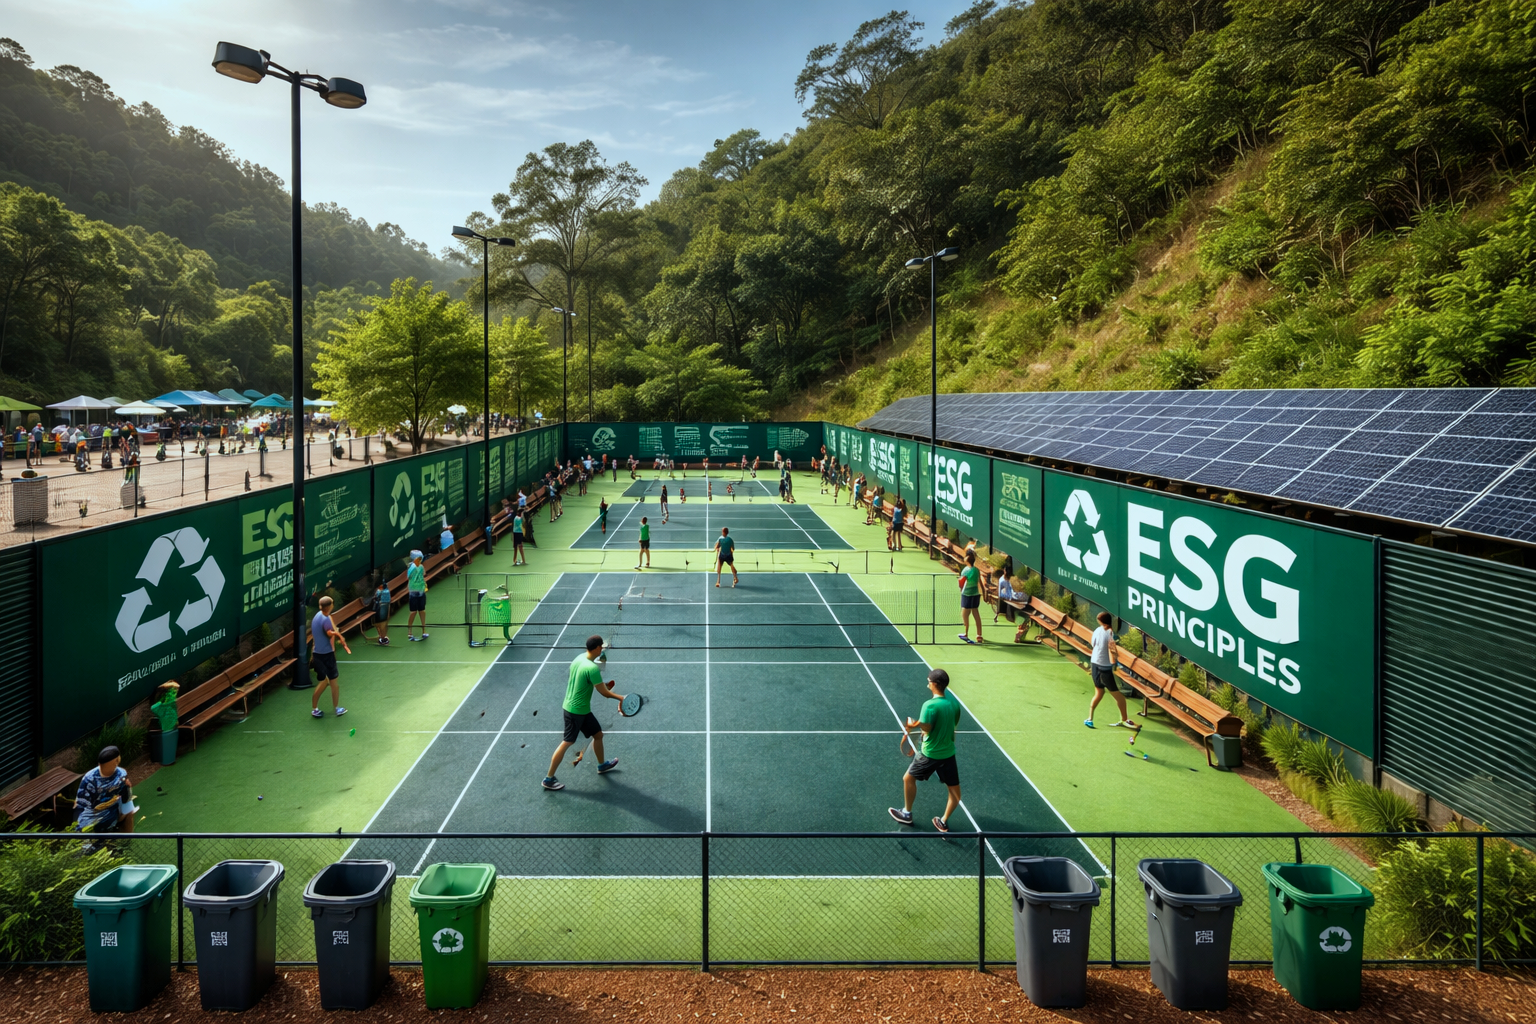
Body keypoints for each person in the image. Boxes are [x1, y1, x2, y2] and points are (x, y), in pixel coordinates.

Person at [543, 635, 624, 790]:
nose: (603, 649)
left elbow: (589, 675)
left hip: (580, 709)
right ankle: (548, 779)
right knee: (567, 742)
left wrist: (602, 664)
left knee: (598, 735)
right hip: (575, 711)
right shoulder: (591, 669)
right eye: (601, 647)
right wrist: (621, 698)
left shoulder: (580, 658)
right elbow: (604, 693)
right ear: (597, 648)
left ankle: (601, 765)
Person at [889, 668, 963, 833]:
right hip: (949, 752)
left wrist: (913, 724)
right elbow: (953, 725)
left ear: (935, 684)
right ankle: (943, 821)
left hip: (930, 753)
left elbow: (928, 728)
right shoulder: (954, 704)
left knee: (908, 779)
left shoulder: (929, 705)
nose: (927, 683)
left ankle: (906, 813)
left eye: (929, 681)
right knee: (955, 791)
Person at [1085, 611, 1139, 731]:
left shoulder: (1097, 631)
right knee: (1120, 697)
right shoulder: (1110, 633)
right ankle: (1124, 720)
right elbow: (1112, 649)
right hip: (1104, 668)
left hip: (1094, 664)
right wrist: (1114, 662)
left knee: (1099, 693)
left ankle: (1090, 719)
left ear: (1100, 621)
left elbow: (1093, 644)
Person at [74, 745, 135, 836]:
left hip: (114, 806)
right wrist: (77, 825)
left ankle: (128, 838)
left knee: (130, 811)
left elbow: (125, 797)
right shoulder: (89, 778)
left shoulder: (121, 774)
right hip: (94, 811)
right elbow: (80, 804)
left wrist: (127, 788)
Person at [310, 595, 349, 718]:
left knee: (323, 681)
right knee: (333, 682)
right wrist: (336, 634)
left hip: (317, 654)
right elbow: (328, 633)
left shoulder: (317, 616)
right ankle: (337, 708)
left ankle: (315, 708)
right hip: (327, 655)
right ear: (330, 606)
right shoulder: (326, 619)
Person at [957, 550, 985, 644]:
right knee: (976, 613)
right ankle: (979, 635)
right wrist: (984, 593)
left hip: (967, 595)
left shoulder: (965, 570)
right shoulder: (977, 570)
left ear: (967, 559)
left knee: (964, 614)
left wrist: (960, 588)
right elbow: (979, 582)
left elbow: (961, 582)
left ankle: (965, 633)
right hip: (976, 594)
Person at [406, 550, 430, 641]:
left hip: (421, 591)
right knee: (413, 612)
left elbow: (424, 574)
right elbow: (409, 577)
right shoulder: (411, 567)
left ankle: (424, 631)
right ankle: (409, 632)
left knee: (422, 611)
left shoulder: (421, 566)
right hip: (413, 592)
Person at [369, 578, 391, 646]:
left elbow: (376, 597)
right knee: (383, 623)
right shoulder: (387, 591)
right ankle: (383, 637)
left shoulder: (379, 591)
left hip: (380, 608)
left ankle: (382, 637)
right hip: (385, 607)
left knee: (380, 623)